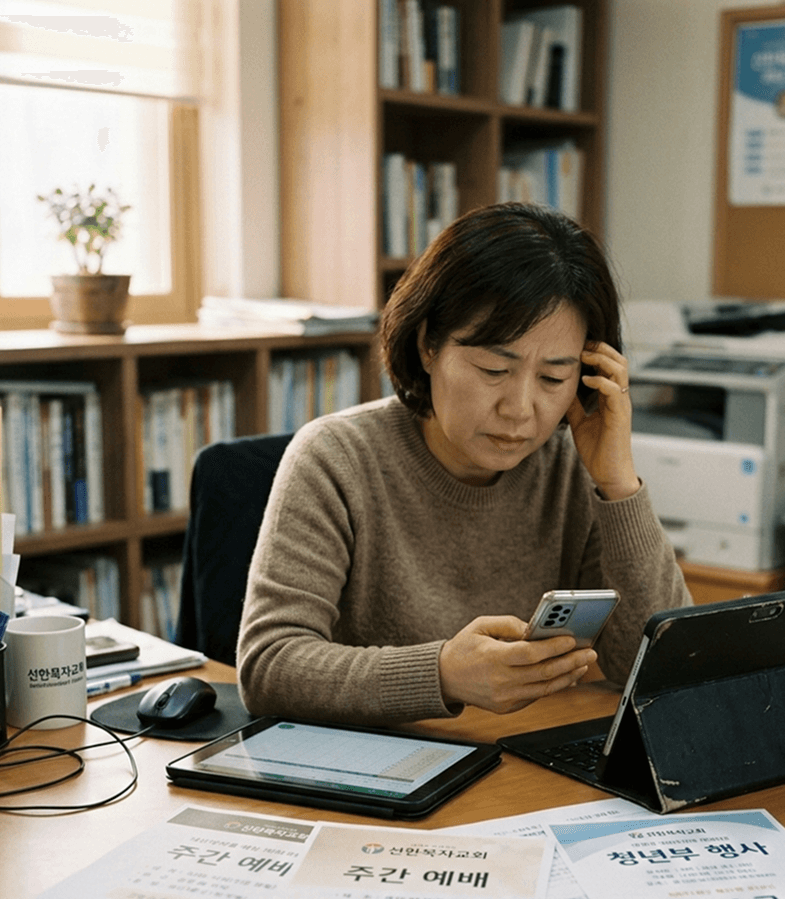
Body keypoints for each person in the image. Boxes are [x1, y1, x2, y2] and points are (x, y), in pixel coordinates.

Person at [236, 202, 691, 725]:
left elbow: (664, 670)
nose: (520, 410)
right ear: (429, 345)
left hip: (520, 769)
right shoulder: (335, 459)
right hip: (377, 773)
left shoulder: (574, 470)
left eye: (552, 378)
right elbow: (268, 667)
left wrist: (618, 485)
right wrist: (442, 673)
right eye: (494, 368)